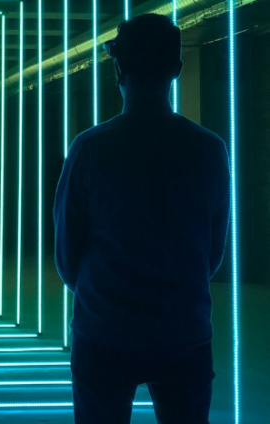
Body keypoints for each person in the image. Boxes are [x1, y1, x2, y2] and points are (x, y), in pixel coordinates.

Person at [53, 13, 231, 424]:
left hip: (104, 332)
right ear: (177, 67)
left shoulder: (89, 148)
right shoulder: (209, 149)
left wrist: (102, 297)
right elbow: (214, 249)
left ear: (118, 68)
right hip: (183, 332)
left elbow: (67, 253)